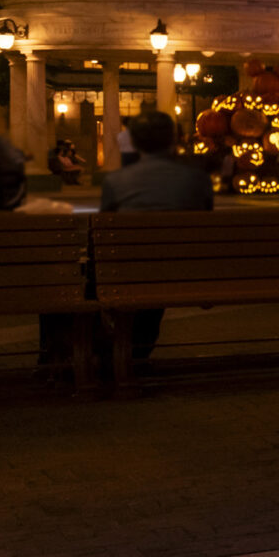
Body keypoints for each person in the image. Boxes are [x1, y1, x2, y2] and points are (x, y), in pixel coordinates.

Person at [101, 110, 214, 366]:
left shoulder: (116, 180)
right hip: (179, 269)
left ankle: (117, 353)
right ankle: (136, 351)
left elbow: (106, 229)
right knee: (154, 270)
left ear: (135, 142)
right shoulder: (197, 179)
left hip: (127, 271)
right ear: (172, 140)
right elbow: (204, 224)